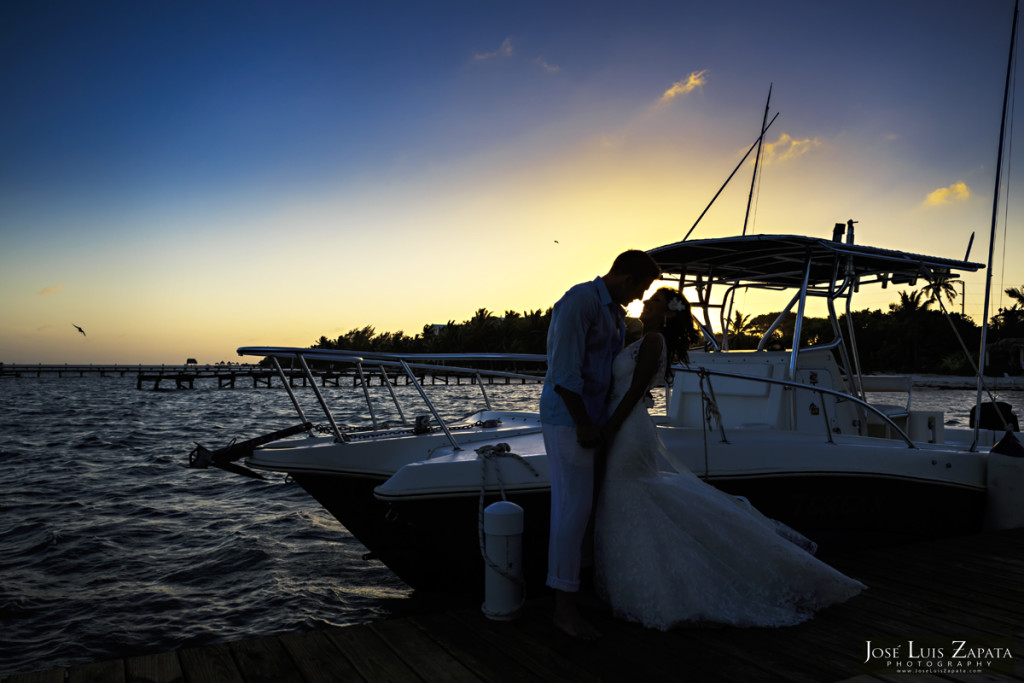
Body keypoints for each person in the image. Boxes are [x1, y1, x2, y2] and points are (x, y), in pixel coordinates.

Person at [594, 288, 865, 630]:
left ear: (667, 314)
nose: (646, 300)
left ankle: (656, 589)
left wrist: (610, 428)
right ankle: (642, 586)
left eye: (656, 300)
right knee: (631, 499)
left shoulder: (653, 341)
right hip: (626, 424)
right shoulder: (640, 338)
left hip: (627, 429)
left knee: (630, 496)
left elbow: (635, 390)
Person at [540, 249, 661, 638]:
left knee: (586, 512)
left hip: (595, 421)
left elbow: (607, 371)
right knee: (571, 513)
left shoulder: (613, 314)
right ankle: (562, 609)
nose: (640, 298)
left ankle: (579, 594)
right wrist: (584, 423)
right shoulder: (581, 302)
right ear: (627, 279)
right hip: (570, 420)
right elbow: (564, 371)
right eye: (641, 288)